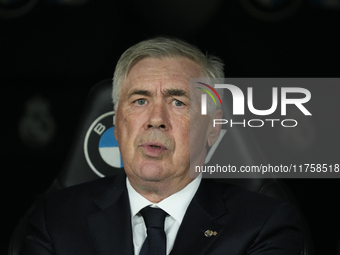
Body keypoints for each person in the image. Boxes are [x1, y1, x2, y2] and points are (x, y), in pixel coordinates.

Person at [20, 37, 303, 255]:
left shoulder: (265, 224)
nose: (156, 119)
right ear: (117, 124)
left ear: (213, 128)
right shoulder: (54, 219)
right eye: (140, 101)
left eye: (177, 102)